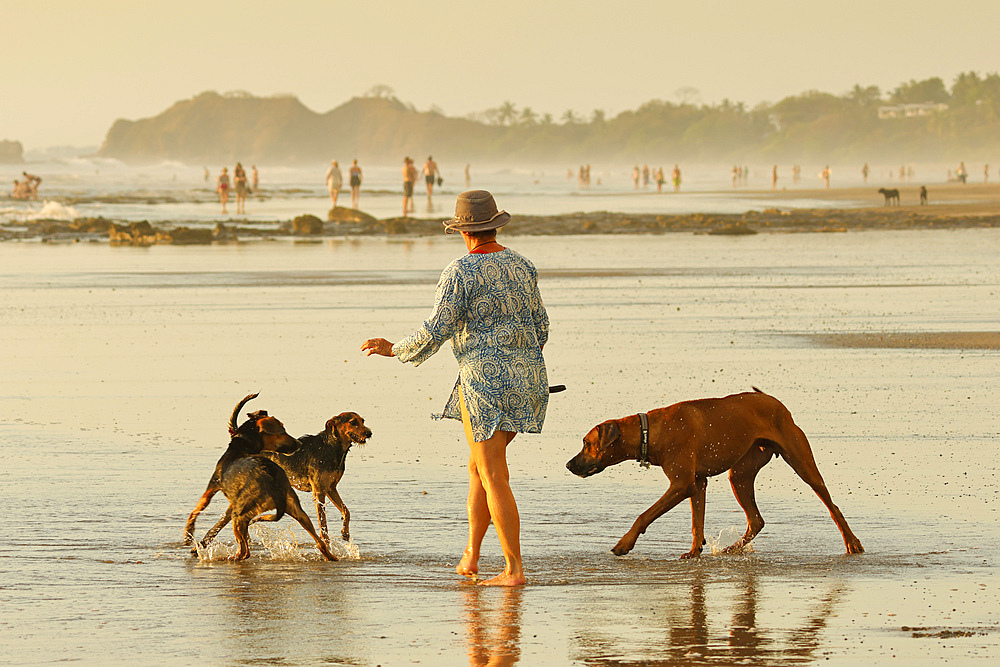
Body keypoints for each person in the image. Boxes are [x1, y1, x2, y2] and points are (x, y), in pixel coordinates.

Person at [362, 190, 549, 587]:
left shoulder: (459, 272)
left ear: (463, 231)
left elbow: (436, 330)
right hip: (529, 381)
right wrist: (521, 361)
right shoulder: (523, 265)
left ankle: (514, 570)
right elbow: (542, 327)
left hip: (484, 384)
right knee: (478, 468)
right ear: (495, 225)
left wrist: (393, 349)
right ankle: (472, 555)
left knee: (493, 472)